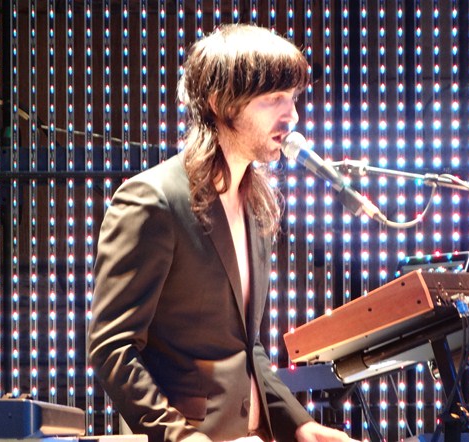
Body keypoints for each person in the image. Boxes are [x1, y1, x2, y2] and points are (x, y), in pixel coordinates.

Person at [88, 24, 358, 442]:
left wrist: (299, 424)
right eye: (273, 98)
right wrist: (181, 437)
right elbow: (112, 347)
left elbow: (247, 348)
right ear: (220, 103)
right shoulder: (152, 199)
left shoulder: (256, 204)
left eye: (292, 97)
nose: (292, 115)